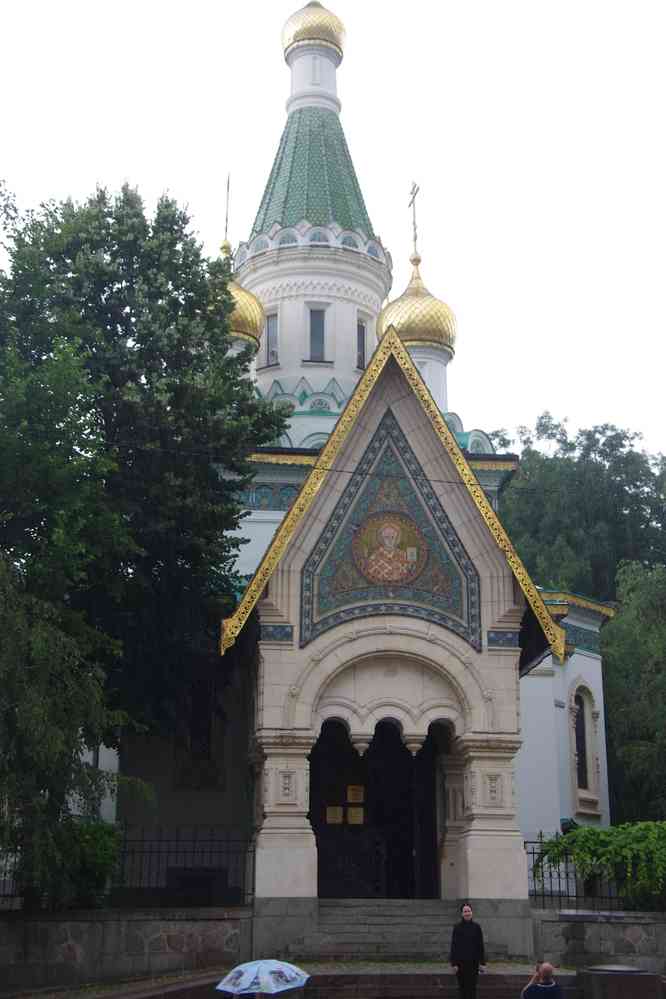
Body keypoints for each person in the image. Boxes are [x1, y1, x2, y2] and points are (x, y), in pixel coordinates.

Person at [449, 902, 486, 999]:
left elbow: (480, 945)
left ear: (472, 912)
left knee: (472, 988)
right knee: (462, 989)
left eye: (468, 911)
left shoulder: (477, 927)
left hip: (473, 964)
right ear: (462, 914)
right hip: (460, 964)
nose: (467, 913)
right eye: (465, 911)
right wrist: (454, 964)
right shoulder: (457, 927)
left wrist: (482, 963)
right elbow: (454, 946)